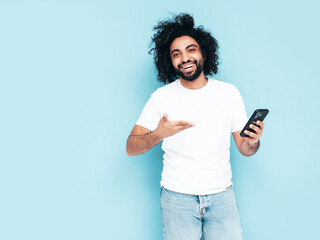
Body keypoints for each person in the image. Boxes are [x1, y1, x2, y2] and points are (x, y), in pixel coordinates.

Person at [126, 13, 265, 240]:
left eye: (191, 49)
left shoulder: (228, 93)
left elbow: (245, 149)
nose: (185, 57)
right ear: (169, 61)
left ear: (203, 52)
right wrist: (159, 134)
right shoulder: (161, 97)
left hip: (222, 198)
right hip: (176, 200)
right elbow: (131, 147)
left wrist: (253, 140)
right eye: (176, 54)